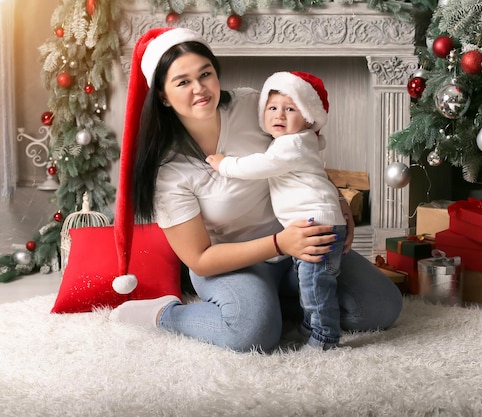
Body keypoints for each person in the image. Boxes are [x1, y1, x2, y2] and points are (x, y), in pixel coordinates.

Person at [109, 26, 403, 353]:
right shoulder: (167, 171)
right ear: (162, 95)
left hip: (298, 241)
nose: (200, 89)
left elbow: (299, 154)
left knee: (380, 307)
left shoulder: (253, 105)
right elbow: (200, 259)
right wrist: (280, 243)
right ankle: (166, 315)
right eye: (183, 82)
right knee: (252, 335)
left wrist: (335, 199)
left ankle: (278, 306)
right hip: (232, 262)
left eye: (205, 74)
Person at [206, 71, 346, 350]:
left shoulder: (292, 144)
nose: (279, 115)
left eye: (290, 109)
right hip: (313, 223)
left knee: (316, 287)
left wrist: (224, 165)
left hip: (314, 225)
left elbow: (259, 166)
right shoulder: (294, 142)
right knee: (311, 283)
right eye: (272, 108)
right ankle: (310, 326)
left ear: (308, 118)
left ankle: (324, 339)